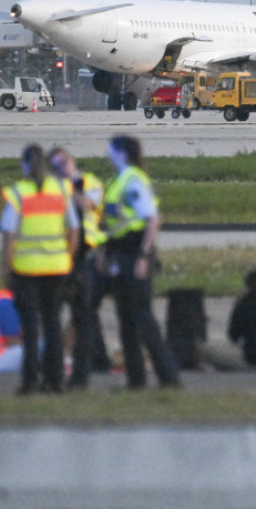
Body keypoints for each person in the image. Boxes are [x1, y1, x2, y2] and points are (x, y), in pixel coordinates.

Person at [100, 135, 179, 389]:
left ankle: (168, 377)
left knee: (143, 318)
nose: (107, 152)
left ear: (121, 152)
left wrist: (143, 256)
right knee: (126, 320)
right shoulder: (120, 180)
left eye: (111, 148)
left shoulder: (132, 181)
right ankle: (136, 380)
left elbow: (152, 219)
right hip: (120, 253)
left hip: (134, 253)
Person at [0, 143, 78, 394]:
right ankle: (56, 381)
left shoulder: (19, 192)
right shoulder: (61, 189)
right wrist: (67, 255)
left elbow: (9, 234)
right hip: (56, 267)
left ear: (24, 165)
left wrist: (6, 265)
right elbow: (74, 229)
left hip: (26, 269)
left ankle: (31, 381)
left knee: (31, 328)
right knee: (53, 324)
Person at [48, 146, 112, 388]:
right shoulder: (53, 187)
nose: (62, 168)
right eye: (56, 165)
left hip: (90, 251)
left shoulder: (88, 182)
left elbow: (88, 205)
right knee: (84, 313)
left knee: (87, 311)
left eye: (64, 162)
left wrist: (66, 188)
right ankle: (96, 360)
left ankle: (96, 361)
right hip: (63, 254)